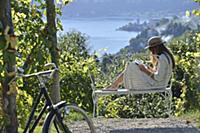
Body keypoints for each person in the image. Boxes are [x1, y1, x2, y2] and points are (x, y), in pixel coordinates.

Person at [103, 36, 175, 91]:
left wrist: (144, 70)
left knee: (132, 66)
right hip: (159, 84)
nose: (151, 52)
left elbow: (158, 77)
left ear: (155, 48)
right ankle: (114, 85)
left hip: (157, 85)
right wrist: (149, 69)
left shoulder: (162, 58)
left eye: (151, 49)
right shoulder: (166, 56)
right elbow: (159, 74)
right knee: (132, 65)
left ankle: (114, 85)